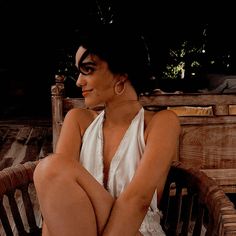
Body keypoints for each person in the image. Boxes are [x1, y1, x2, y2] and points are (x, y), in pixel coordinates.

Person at [33, 23, 181, 236]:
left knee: (50, 168)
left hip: (134, 230)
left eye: (89, 70)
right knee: (51, 172)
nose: (79, 81)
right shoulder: (78, 120)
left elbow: (136, 201)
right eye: (79, 72)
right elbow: (55, 198)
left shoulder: (161, 123)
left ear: (121, 74)